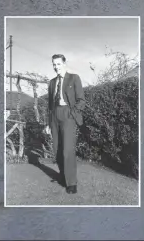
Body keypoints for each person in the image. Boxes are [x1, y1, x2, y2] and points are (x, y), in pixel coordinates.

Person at [47, 54, 85, 194]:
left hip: (68, 115)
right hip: (54, 116)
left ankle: (72, 183)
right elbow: (50, 105)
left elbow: (81, 100)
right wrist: (48, 123)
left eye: (58, 64)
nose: (56, 67)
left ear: (64, 63)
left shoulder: (74, 78)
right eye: (54, 64)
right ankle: (63, 177)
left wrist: (71, 113)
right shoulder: (51, 82)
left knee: (67, 150)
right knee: (57, 149)